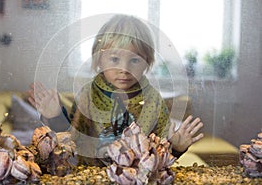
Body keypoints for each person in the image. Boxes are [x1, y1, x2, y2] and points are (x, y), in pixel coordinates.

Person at [28, 14, 204, 166]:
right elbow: (72, 140)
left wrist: (177, 148)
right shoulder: (89, 94)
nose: (124, 69)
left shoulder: (153, 100)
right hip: (91, 175)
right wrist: (55, 116)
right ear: (99, 60)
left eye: (134, 60)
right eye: (114, 59)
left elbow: (161, 154)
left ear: (147, 62)